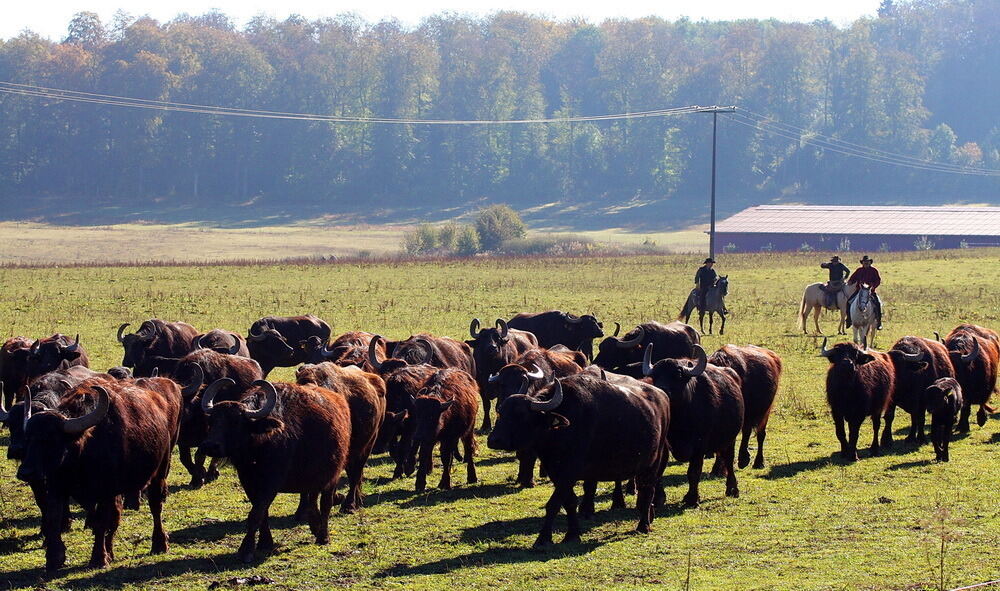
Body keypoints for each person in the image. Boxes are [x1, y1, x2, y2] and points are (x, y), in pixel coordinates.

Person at [845, 255, 882, 330]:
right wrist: (850, 281)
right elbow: (853, 278)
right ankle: (849, 320)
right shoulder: (859, 270)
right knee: (848, 302)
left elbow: (878, 280)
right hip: (859, 291)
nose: (866, 263)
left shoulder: (874, 271)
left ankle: (879, 322)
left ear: (870, 262)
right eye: (865, 262)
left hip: (870, 291)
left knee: (877, 304)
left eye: (867, 262)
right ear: (862, 263)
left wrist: (873, 287)